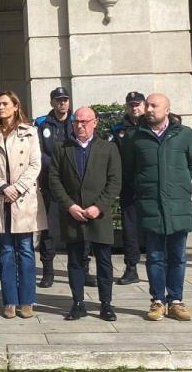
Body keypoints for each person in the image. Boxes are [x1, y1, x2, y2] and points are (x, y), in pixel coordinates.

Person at [123, 93, 192, 322]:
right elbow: (129, 169)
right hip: (150, 205)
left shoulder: (184, 134)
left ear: (167, 110)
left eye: (154, 106)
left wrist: (177, 184)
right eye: (148, 105)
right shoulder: (135, 136)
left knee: (178, 255)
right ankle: (157, 300)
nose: (149, 109)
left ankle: (176, 301)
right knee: (155, 256)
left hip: (178, 204)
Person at [48, 106, 122, 322]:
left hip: (99, 215)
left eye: (84, 122)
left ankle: (106, 304)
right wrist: (69, 205)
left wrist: (99, 207)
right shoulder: (62, 148)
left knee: (104, 261)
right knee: (75, 261)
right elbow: (54, 179)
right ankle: (78, 303)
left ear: (95, 122)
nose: (79, 125)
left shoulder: (108, 148)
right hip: (73, 214)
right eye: (76, 122)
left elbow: (115, 181)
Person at [0, 91, 45, 319]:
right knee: (6, 250)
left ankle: (27, 300)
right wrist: (2, 186)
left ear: (16, 106)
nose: (0, 107)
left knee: (26, 249)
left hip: (23, 197)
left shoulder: (30, 132)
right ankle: (9, 300)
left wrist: (18, 188)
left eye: (5, 104)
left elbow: (35, 164)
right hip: (0, 197)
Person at [35, 87, 92, 288]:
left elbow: (84, 146)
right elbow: (38, 152)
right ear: (52, 102)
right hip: (50, 182)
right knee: (49, 228)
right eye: (58, 100)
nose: (62, 103)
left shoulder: (76, 121)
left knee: (80, 226)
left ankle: (83, 269)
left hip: (74, 182)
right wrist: (56, 164)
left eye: (65, 100)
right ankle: (48, 271)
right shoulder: (42, 123)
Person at [110, 91, 147, 285]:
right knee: (130, 229)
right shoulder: (119, 130)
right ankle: (131, 267)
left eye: (138, 104)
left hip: (150, 186)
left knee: (154, 228)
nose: (135, 108)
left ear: (144, 105)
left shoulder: (152, 125)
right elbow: (113, 158)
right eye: (131, 105)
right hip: (129, 187)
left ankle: (159, 267)